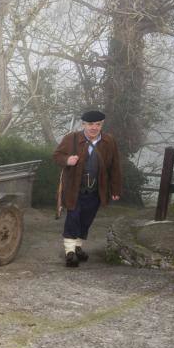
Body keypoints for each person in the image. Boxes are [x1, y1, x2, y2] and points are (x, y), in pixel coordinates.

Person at [53, 110, 122, 267]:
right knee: (73, 217)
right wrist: (67, 160)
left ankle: (78, 247)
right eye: (90, 124)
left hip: (97, 190)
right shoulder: (72, 138)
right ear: (83, 124)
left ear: (101, 125)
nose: (94, 128)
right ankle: (69, 252)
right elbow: (56, 155)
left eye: (98, 124)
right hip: (74, 188)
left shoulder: (109, 141)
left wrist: (116, 189)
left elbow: (115, 166)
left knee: (86, 220)